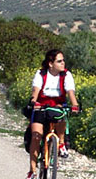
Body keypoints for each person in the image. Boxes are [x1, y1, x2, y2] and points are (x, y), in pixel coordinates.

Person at [26, 49, 79, 179]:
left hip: (58, 105)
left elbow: (70, 91)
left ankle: (60, 144)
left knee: (62, 116)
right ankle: (32, 170)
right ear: (51, 63)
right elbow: (35, 90)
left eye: (63, 60)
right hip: (41, 105)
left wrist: (75, 105)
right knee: (36, 136)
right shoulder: (41, 74)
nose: (63, 63)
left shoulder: (66, 75)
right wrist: (33, 101)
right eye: (59, 61)